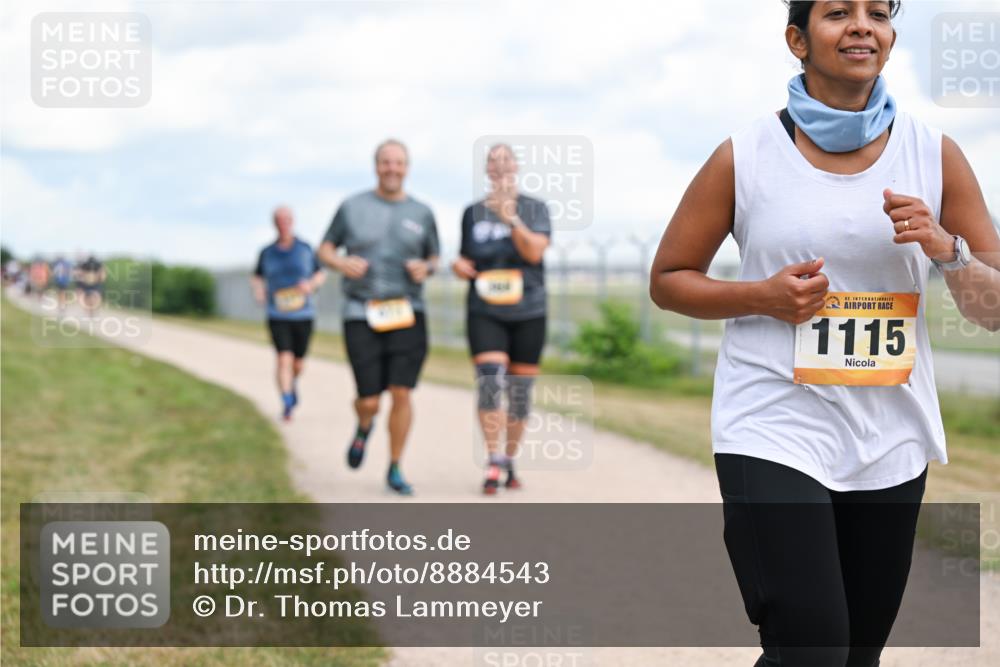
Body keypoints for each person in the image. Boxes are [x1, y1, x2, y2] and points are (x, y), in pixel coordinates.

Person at [648, 1, 1000, 665]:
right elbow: (668, 278)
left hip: (889, 437)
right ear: (797, 40)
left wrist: (946, 246)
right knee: (812, 646)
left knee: (855, 655)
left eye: (878, 12)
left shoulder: (935, 154)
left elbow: (993, 307)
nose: (862, 25)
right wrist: (762, 296)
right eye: (838, 12)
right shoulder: (745, 154)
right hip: (772, 424)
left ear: (892, 37)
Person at [318, 139, 440, 496]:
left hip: (407, 310)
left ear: (407, 167)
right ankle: (364, 424)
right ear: (376, 167)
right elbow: (324, 248)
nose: (392, 169)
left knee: (402, 392)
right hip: (361, 310)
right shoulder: (352, 207)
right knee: (370, 398)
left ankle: (395, 467)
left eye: (399, 163)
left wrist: (426, 268)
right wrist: (340, 262)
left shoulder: (422, 212)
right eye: (386, 162)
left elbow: (434, 257)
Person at [452, 144, 552, 494]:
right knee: (490, 382)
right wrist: (459, 266)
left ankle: (509, 458)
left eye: (506, 162)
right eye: (493, 163)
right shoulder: (471, 213)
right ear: (487, 171)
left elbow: (534, 251)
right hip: (485, 311)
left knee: (520, 394)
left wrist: (510, 218)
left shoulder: (535, 208)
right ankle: (493, 458)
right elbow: (467, 258)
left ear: (517, 168)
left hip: (529, 310)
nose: (500, 169)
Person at [252, 206, 326, 421]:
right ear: (274, 223)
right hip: (277, 314)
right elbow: (256, 276)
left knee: (297, 363)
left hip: (303, 314)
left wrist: (310, 285)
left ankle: (291, 384)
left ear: (292, 222)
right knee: (283, 358)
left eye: (286, 219)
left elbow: (320, 274)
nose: (283, 223)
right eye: (279, 219)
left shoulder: (305, 249)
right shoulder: (267, 252)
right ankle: (286, 401)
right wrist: (259, 290)